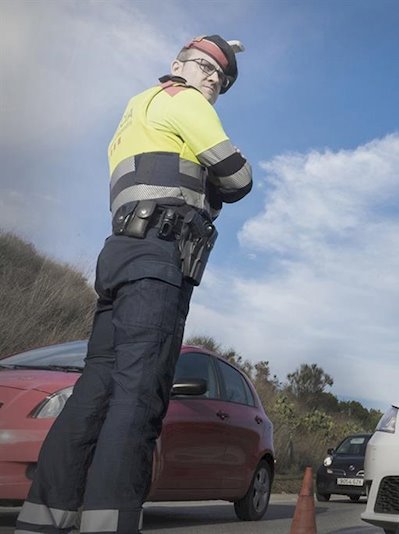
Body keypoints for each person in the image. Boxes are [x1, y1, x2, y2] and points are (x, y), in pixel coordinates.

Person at [16, 35, 252, 534]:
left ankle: (44, 518)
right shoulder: (184, 101)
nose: (212, 80)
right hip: (159, 255)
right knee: (139, 391)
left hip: (119, 252)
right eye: (205, 67)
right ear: (177, 66)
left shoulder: (134, 110)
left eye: (220, 78)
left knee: (96, 386)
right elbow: (238, 177)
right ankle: (111, 522)